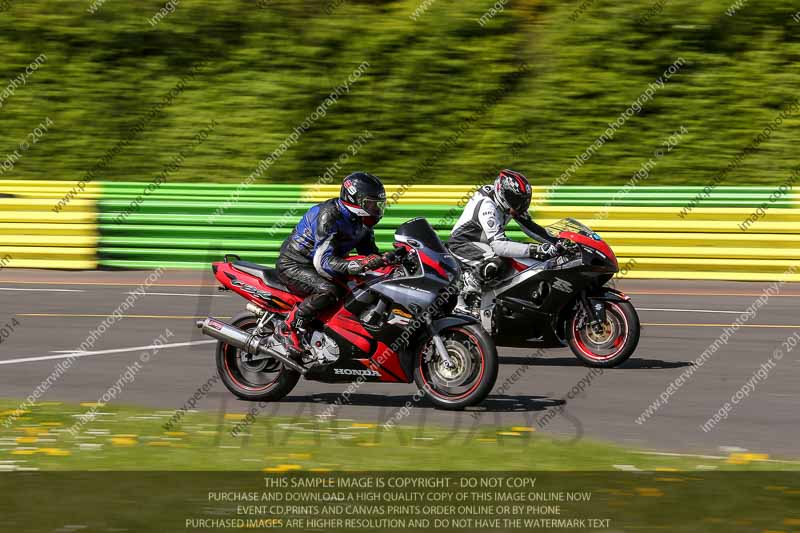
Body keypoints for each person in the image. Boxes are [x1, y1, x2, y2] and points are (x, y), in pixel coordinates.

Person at [275, 172, 387, 354]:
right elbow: (323, 262)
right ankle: (288, 329)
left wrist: (388, 258)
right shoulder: (330, 215)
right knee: (330, 291)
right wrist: (359, 265)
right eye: (371, 203)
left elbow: (369, 254)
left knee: (363, 288)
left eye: (378, 204)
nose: (375, 209)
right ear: (354, 199)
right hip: (295, 264)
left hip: (320, 265)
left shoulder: (363, 223)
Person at [447, 169, 560, 302]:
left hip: (487, 241)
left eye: (523, 201)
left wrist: (557, 241)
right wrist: (537, 249)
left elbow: (530, 227)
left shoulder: (511, 204)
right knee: (497, 263)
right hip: (463, 243)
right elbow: (499, 246)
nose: (520, 206)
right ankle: (466, 290)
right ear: (503, 194)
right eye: (516, 201)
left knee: (520, 255)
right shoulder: (487, 206)